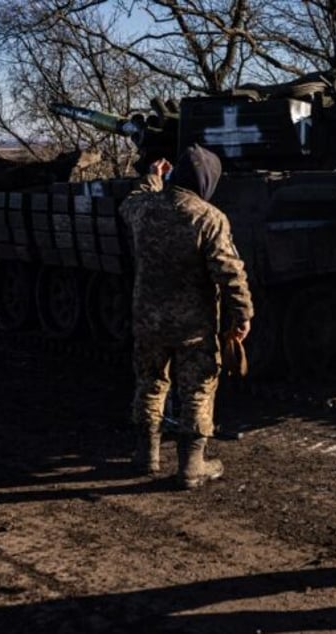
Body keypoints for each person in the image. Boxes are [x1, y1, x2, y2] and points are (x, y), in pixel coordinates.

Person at [120, 144, 254, 489]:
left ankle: (145, 456)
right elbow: (229, 272)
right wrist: (242, 314)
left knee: (150, 382)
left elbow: (129, 201)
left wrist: (152, 178)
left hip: (147, 318)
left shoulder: (143, 209)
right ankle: (192, 466)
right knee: (197, 388)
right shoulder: (208, 218)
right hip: (192, 324)